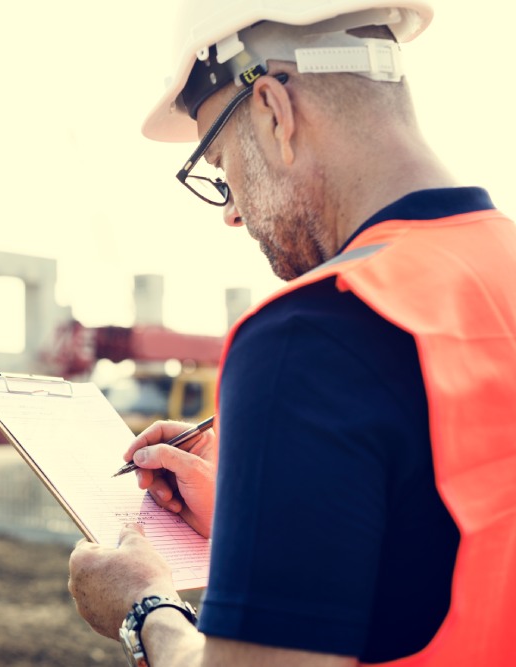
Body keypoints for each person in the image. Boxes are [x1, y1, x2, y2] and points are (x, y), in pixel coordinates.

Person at [67, 2, 516, 666]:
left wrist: (146, 608)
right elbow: (448, 546)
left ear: (275, 111)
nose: (232, 211)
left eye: (221, 168)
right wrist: (264, 523)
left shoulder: (309, 335)